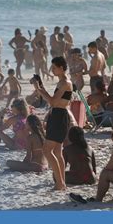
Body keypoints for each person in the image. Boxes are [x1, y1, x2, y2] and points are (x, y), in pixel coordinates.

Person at [33, 56, 73, 190]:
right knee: (57, 151)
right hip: (57, 115)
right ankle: (61, 183)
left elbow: (53, 102)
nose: (52, 70)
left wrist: (39, 90)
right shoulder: (61, 82)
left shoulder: (65, 83)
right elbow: (53, 101)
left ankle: (60, 183)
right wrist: (39, 88)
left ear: (61, 68)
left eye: (54, 67)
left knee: (47, 150)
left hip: (59, 116)